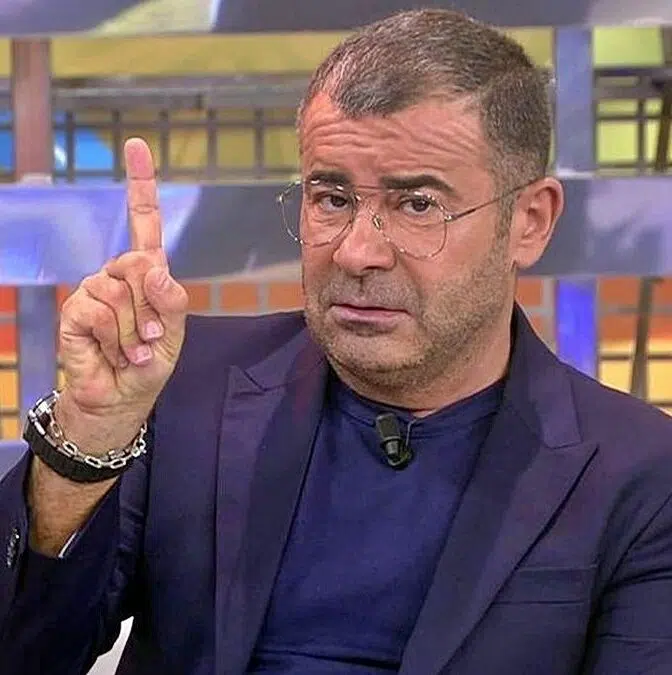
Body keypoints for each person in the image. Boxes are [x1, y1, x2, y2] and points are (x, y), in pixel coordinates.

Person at [2, 8, 672, 675]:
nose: (357, 252)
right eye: (332, 198)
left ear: (530, 221)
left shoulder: (637, 472)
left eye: (417, 204)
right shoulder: (182, 386)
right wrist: (86, 441)